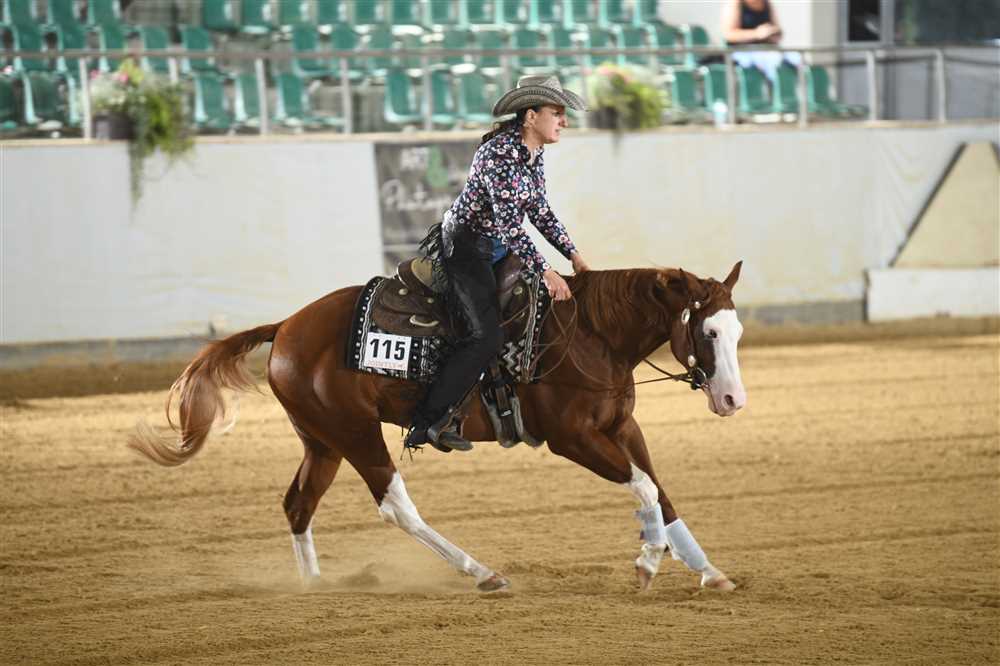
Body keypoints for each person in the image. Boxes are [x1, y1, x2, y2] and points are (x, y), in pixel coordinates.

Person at [404, 75, 590, 453]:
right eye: (557, 113)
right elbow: (510, 225)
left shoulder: (533, 153)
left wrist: (572, 253)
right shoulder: (498, 154)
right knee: (485, 336)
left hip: (498, 248)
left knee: (526, 317)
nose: (565, 121)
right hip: (467, 248)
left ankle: (508, 401)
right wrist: (546, 270)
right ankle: (428, 422)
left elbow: (539, 211)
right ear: (531, 116)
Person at [722, 0, 801, 82]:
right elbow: (728, 35)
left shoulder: (767, 3)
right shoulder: (736, 3)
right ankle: (773, 88)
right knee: (772, 59)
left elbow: (778, 30)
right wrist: (756, 34)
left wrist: (772, 33)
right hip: (742, 51)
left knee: (797, 58)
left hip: (768, 49)